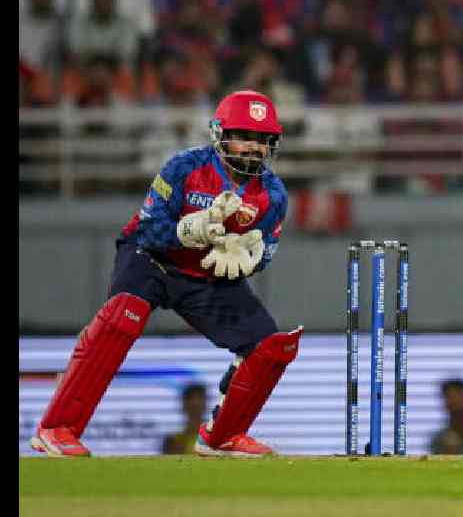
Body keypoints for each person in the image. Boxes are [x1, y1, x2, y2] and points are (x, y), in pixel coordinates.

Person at [30, 90, 301, 458]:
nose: (254, 148)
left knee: (271, 346)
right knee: (123, 315)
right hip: (153, 260)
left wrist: (250, 257)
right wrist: (192, 231)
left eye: (262, 140)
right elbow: (148, 228)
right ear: (220, 134)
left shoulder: (273, 194)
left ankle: (222, 436)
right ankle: (56, 427)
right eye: (245, 137)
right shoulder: (184, 167)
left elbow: (265, 250)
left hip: (205, 276)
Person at [162, 383, 208, 454]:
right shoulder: (173, 441)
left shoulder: (215, 440)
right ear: (183, 404)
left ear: (205, 403)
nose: (195, 403)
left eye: (199, 398)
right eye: (190, 398)